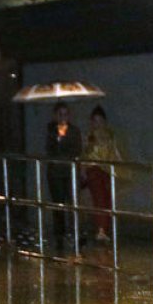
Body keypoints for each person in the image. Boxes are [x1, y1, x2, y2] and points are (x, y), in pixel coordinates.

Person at [81, 105, 123, 243]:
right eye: (95, 121)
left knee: (108, 199)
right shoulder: (90, 136)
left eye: (100, 121)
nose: (98, 124)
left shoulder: (110, 135)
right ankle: (101, 229)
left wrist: (120, 168)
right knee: (99, 199)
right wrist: (83, 170)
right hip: (94, 169)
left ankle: (105, 228)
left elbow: (115, 152)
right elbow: (85, 154)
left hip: (107, 170)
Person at [45, 102, 83, 247]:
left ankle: (75, 233)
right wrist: (58, 139)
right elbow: (49, 148)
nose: (63, 117)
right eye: (60, 114)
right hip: (56, 173)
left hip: (70, 171)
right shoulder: (51, 130)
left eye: (65, 114)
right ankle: (59, 235)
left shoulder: (74, 130)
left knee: (73, 205)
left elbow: (77, 150)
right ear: (55, 115)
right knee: (58, 205)